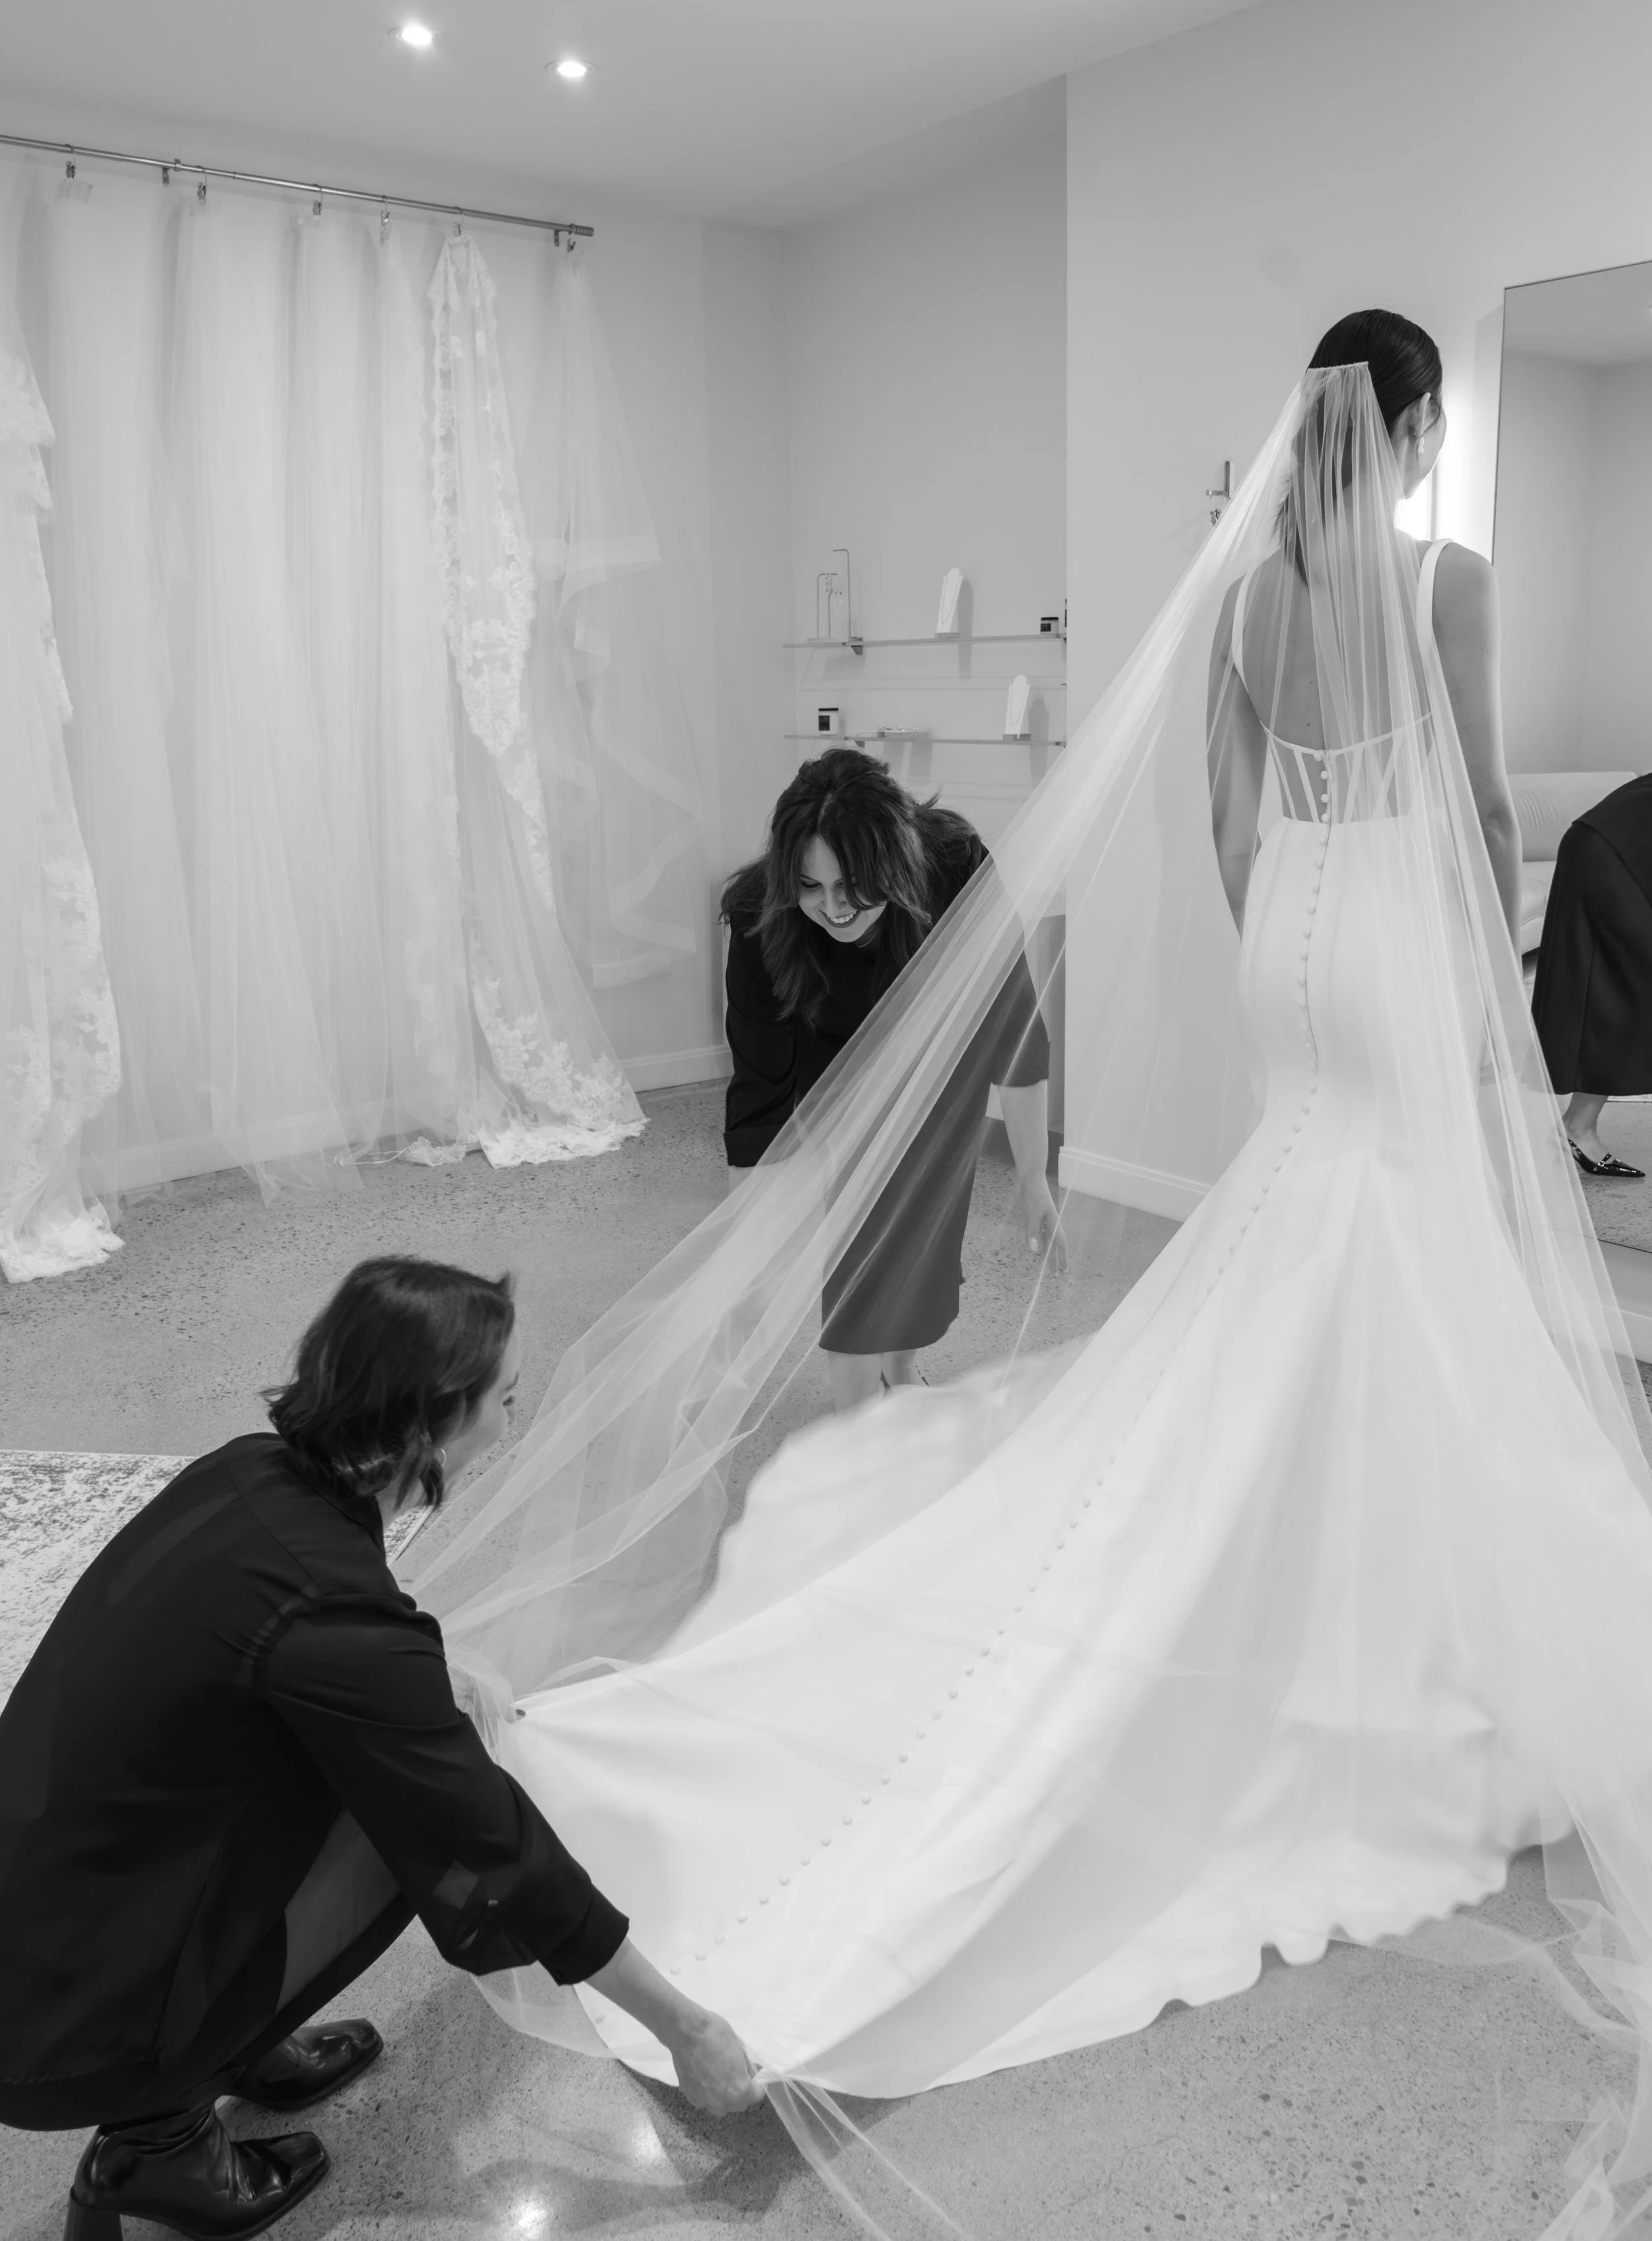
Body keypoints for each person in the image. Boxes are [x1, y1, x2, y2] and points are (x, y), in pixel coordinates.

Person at [412, 321, 1652, 2240]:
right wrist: (1480, 982)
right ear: (1414, 425)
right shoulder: (1448, 576)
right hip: (1399, 929)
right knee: (1399, 1246)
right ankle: (1390, 1597)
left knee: (1312, 1223)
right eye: (1426, 426)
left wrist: (1285, 941)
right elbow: (1485, 807)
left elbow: (1229, 819)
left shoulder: (1250, 594)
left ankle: (1338, 1549)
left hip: (1296, 928)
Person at [0, 1258, 757, 2241]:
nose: (514, 1420)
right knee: (420, 1842)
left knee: (388, 1778)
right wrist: (683, 2026)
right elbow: (493, 1838)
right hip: (64, 2012)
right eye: (506, 1399)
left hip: (48, 1898)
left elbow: (288, 1641)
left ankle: (231, 2042)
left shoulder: (249, 1469)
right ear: (429, 1426)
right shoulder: (330, 1609)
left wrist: (422, 1668)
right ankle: (157, 2136)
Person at [723, 750, 1061, 1408]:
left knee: (925, 1213)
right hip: (832, 1052)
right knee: (859, 1225)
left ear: (894, 865)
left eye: (852, 884)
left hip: (937, 1052)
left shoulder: (955, 866)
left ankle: (901, 1363)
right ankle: (856, 1411)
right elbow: (758, 1093)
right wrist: (740, 1253)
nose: (833, 908)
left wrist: (1032, 1177)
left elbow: (1015, 1025)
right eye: (810, 885)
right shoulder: (759, 918)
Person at [1531, 772, 1652, 1179]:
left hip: (1604, 844)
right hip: (1613, 854)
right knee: (1634, 983)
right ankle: (1577, 1128)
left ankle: (1576, 1126)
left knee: (1621, 984)